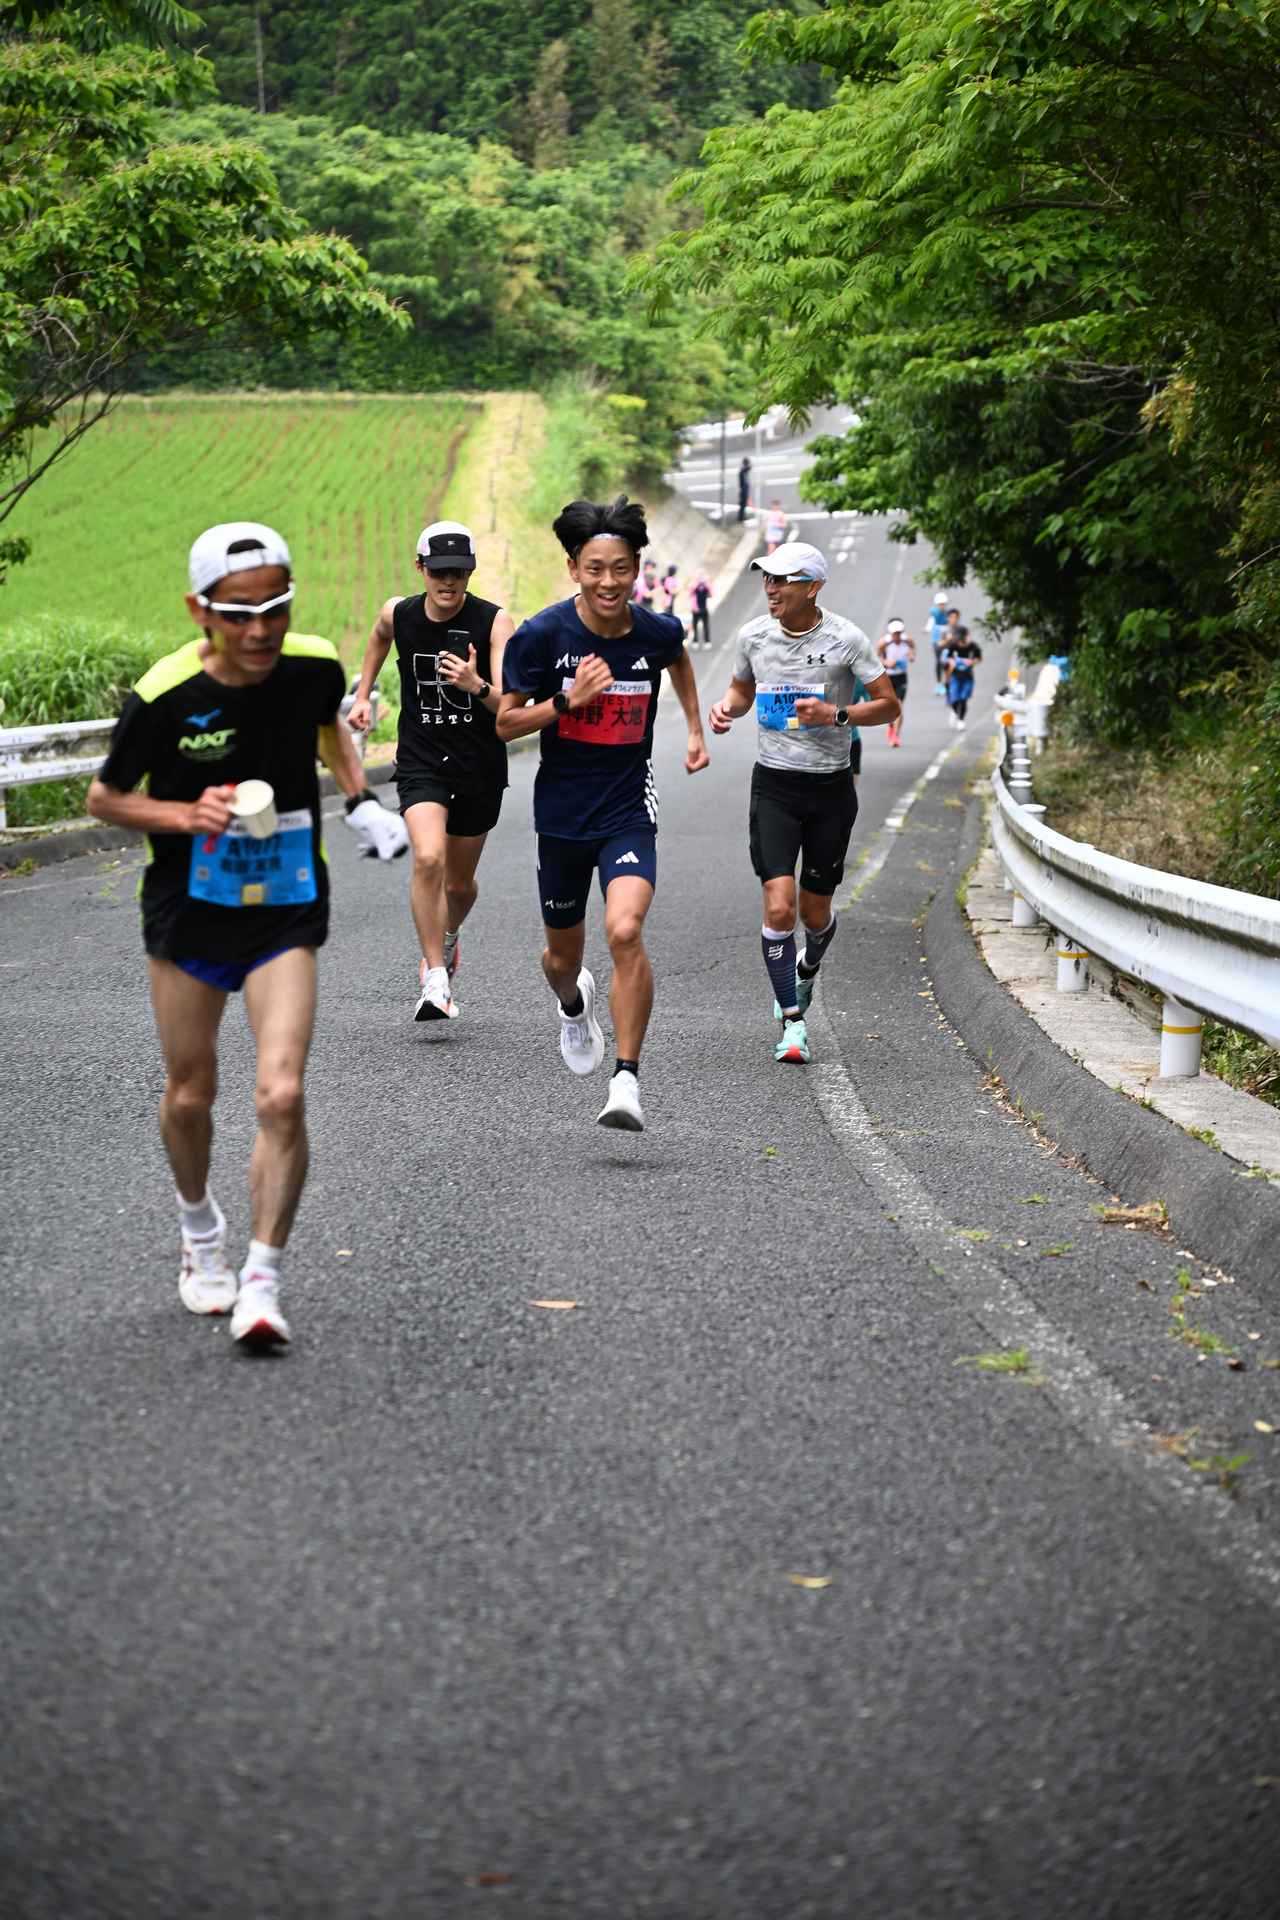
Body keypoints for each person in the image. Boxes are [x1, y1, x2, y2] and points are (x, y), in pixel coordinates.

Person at [85, 521, 386, 1348]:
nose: (260, 631)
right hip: (188, 909)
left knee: (281, 1092)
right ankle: (198, 1232)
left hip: (285, 904)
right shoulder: (165, 696)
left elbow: (330, 727)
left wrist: (358, 798)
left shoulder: (314, 665)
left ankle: (262, 1279)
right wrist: (185, 813)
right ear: (199, 609)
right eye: (238, 614)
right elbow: (105, 800)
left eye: (276, 610)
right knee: (191, 1094)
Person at [497, 494, 710, 1131]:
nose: (608, 582)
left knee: (624, 930)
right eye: (595, 568)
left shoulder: (657, 630)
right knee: (561, 960)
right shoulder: (542, 636)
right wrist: (568, 702)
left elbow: (679, 662)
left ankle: (626, 1081)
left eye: (620, 568)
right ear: (573, 570)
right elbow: (505, 724)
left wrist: (695, 729)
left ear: (637, 568)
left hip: (626, 806)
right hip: (561, 814)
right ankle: (572, 1005)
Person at [708, 541, 899, 1065]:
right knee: (779, 906)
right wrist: (726, 709)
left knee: (816, 915)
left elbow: (888, 705)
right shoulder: (754, 637)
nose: (770, 589)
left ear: (812, 587)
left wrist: (837, 715)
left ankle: (807, 969)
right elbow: (742, 691)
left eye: (782, 580)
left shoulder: (845, 639)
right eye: (766, 579)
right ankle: (793, 1023)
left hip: (830, 789)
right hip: (774, 785)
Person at [349, 521, 513, 1022]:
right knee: (427, 857)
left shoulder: (495, 622)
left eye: (459, 573)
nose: (449, 583)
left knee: (459, 887)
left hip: (478, 766)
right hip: (421, 758)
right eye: (439, 572)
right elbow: (379, 637)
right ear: (420, 568)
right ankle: (435, 978)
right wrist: (363, 695)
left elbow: (509, 707)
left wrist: (474, 683)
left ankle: (448, 937)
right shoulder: (399, 614)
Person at [876, 618, 916, 747]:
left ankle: (896, 735)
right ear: (890, 633)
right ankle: (891, 726)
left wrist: (911, 655)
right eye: (894, 634)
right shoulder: (884, 643)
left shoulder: (907, 640)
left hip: (901, 677)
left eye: (899, 633)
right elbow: (877, 658)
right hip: (888, 678)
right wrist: (887, 663)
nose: (897, 636)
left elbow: (912, 649)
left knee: (898, 706)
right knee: (889, 707)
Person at [943, 623, 983, 729]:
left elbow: (979, 658)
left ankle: (961, 719)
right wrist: (952, 662)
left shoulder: (973, 646)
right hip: (955, 675)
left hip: (967, 676)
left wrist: (972, 662)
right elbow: (948, 658)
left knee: (963, 698)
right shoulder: (953, 645)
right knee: (954, 698)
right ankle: (955, 712)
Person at [925, 591, 950, 696]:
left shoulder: (948, 614)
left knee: (946, 662)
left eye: (943, 604)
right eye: (940, 604)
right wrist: (927, 629)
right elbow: (931, 622)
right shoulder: (934, 613)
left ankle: (948, 683)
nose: (942, 606)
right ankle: (939, 684)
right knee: (939, 662)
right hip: (936, 641)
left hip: (946, 641)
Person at [689, 572, 713, 650]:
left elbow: (711, 594)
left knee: (705, 625)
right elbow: (690, 593)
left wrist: (706, 585)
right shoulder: (694, 585)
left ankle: (707, 641)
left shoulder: (706, 586)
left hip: (703, 608)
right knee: (695, 626)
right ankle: (695, 641)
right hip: (696, 609)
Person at [737, 457, 752, 523]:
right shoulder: (743, 470)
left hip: (743, 490)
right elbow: (749, 467)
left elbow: (749, 468)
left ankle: (742, 517)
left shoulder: (742, 470)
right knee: (742, 505)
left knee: (743, 505)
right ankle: (741, 517)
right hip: (743, 490)